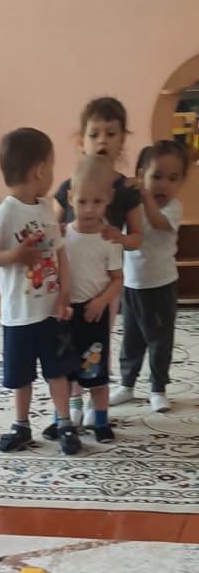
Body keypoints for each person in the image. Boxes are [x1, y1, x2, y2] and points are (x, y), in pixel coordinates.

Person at [0, 126, 78, 455]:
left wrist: (64, 294)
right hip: (19, 316)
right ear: (40, 170)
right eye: (52, 164)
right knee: (21, 376)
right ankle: (22, 425)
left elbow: (60, 253)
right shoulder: (6, 212)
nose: (53, 172)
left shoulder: (46, 208)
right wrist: (14, 256)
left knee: (57, 371)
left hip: (50, 312)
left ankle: (64, 423)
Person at [54, 96, 142, 428]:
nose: (102, 140)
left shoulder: (125, 190)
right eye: (94, 134)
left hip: (105, 284)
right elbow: (51, 225)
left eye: (110, 133)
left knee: (96, 343)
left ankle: (96, 398)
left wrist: (120, 238)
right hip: (69, 281)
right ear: (82, 140)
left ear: (122, 140)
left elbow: (138, 237)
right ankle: (74, 399)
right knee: (66, 342)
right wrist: (54, 230)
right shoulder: (69, 186)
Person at [43, 156, 123, 445]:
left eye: (97, 202)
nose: (89, 209)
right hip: (65, 313)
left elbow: (118, 279)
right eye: (82, 201)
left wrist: (102, 302)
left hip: (94, 314)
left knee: (96, 373)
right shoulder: (62, 236)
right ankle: (63, 417)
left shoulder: (109, 239)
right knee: (62, 370)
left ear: (109, 198)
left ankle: (100, 420)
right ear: (70, 198)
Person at [110, 140, 188, 413]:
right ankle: (127, 384)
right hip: (132, 285)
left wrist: (144, 196)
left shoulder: (173, 208)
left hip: (160, 286)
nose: (164, 185)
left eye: (173, 178)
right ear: (142, 175)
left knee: (159, 340)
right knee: (131, 339)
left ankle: (158, 388)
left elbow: (156, 222)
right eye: (157, 176)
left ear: (181, 183)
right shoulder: (134, 206)